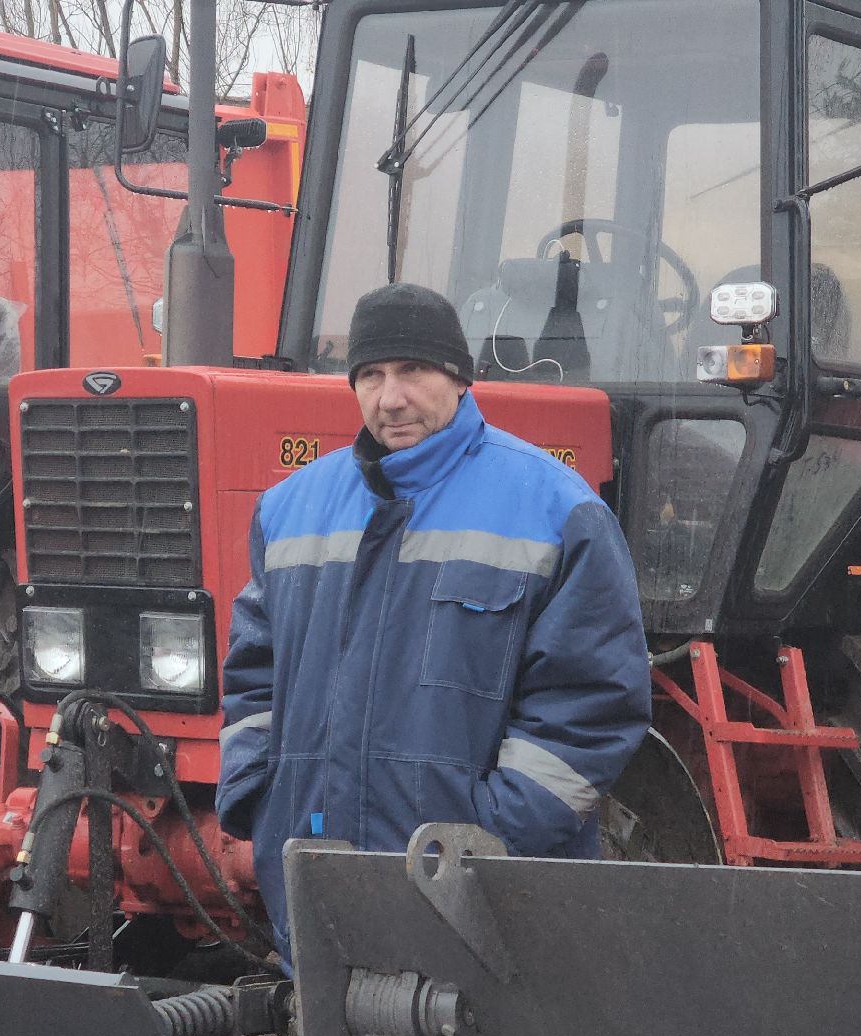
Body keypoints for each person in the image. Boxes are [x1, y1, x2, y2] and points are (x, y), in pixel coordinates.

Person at [215, 281, 651, 958]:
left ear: (458, 377)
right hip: (316, 888)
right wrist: (258, 795)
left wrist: (493, 836)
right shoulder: (288, 508)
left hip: (494, 910)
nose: (390, 398)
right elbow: (253, 674)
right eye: (371, 376)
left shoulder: (554, 509)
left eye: (412, 370)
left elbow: (592, 704)